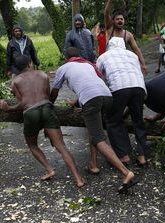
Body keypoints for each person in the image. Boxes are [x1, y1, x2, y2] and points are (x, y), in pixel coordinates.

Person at [50, 47, 136, 193]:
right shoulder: (88, 64)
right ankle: (94, 165)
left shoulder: (64, 67)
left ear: (66, 58)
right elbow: (92, 85)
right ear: (78, 56)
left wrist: (49, 104)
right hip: (107, 97)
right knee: (94, 132)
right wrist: (77, 102)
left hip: (91, 100)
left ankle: (126, 172)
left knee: (98, 138)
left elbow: (55, 90)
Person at [0, 56, 84, 187]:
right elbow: (48, 97)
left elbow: (22, 104)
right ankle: (78, 179)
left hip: (31, 113)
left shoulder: (15, 81)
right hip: (47, 108)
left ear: (17, 69)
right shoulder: (43, 74)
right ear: (30, 64)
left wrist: (8, 108)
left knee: (32, 145)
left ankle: (49, 169)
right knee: (61, 147)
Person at [96, 38, 147, 166]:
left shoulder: (103, 57)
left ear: (109, 46)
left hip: (119, 88)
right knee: (138, 121)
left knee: (113, 120)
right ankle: (142, 156)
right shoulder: (133, 55)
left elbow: (100, 78)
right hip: (139, 87)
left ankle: (124, 156)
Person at [105, 0, 147, 74]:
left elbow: (136, 50)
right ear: (113, 21)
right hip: (110, 63)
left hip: (123, 63)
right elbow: (106, 13)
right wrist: (110, 1)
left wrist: (143, 64)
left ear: (124, 21)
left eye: (121, 19)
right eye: (117, 19)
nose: (119, 20)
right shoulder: (110, 29)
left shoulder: (128, 35)